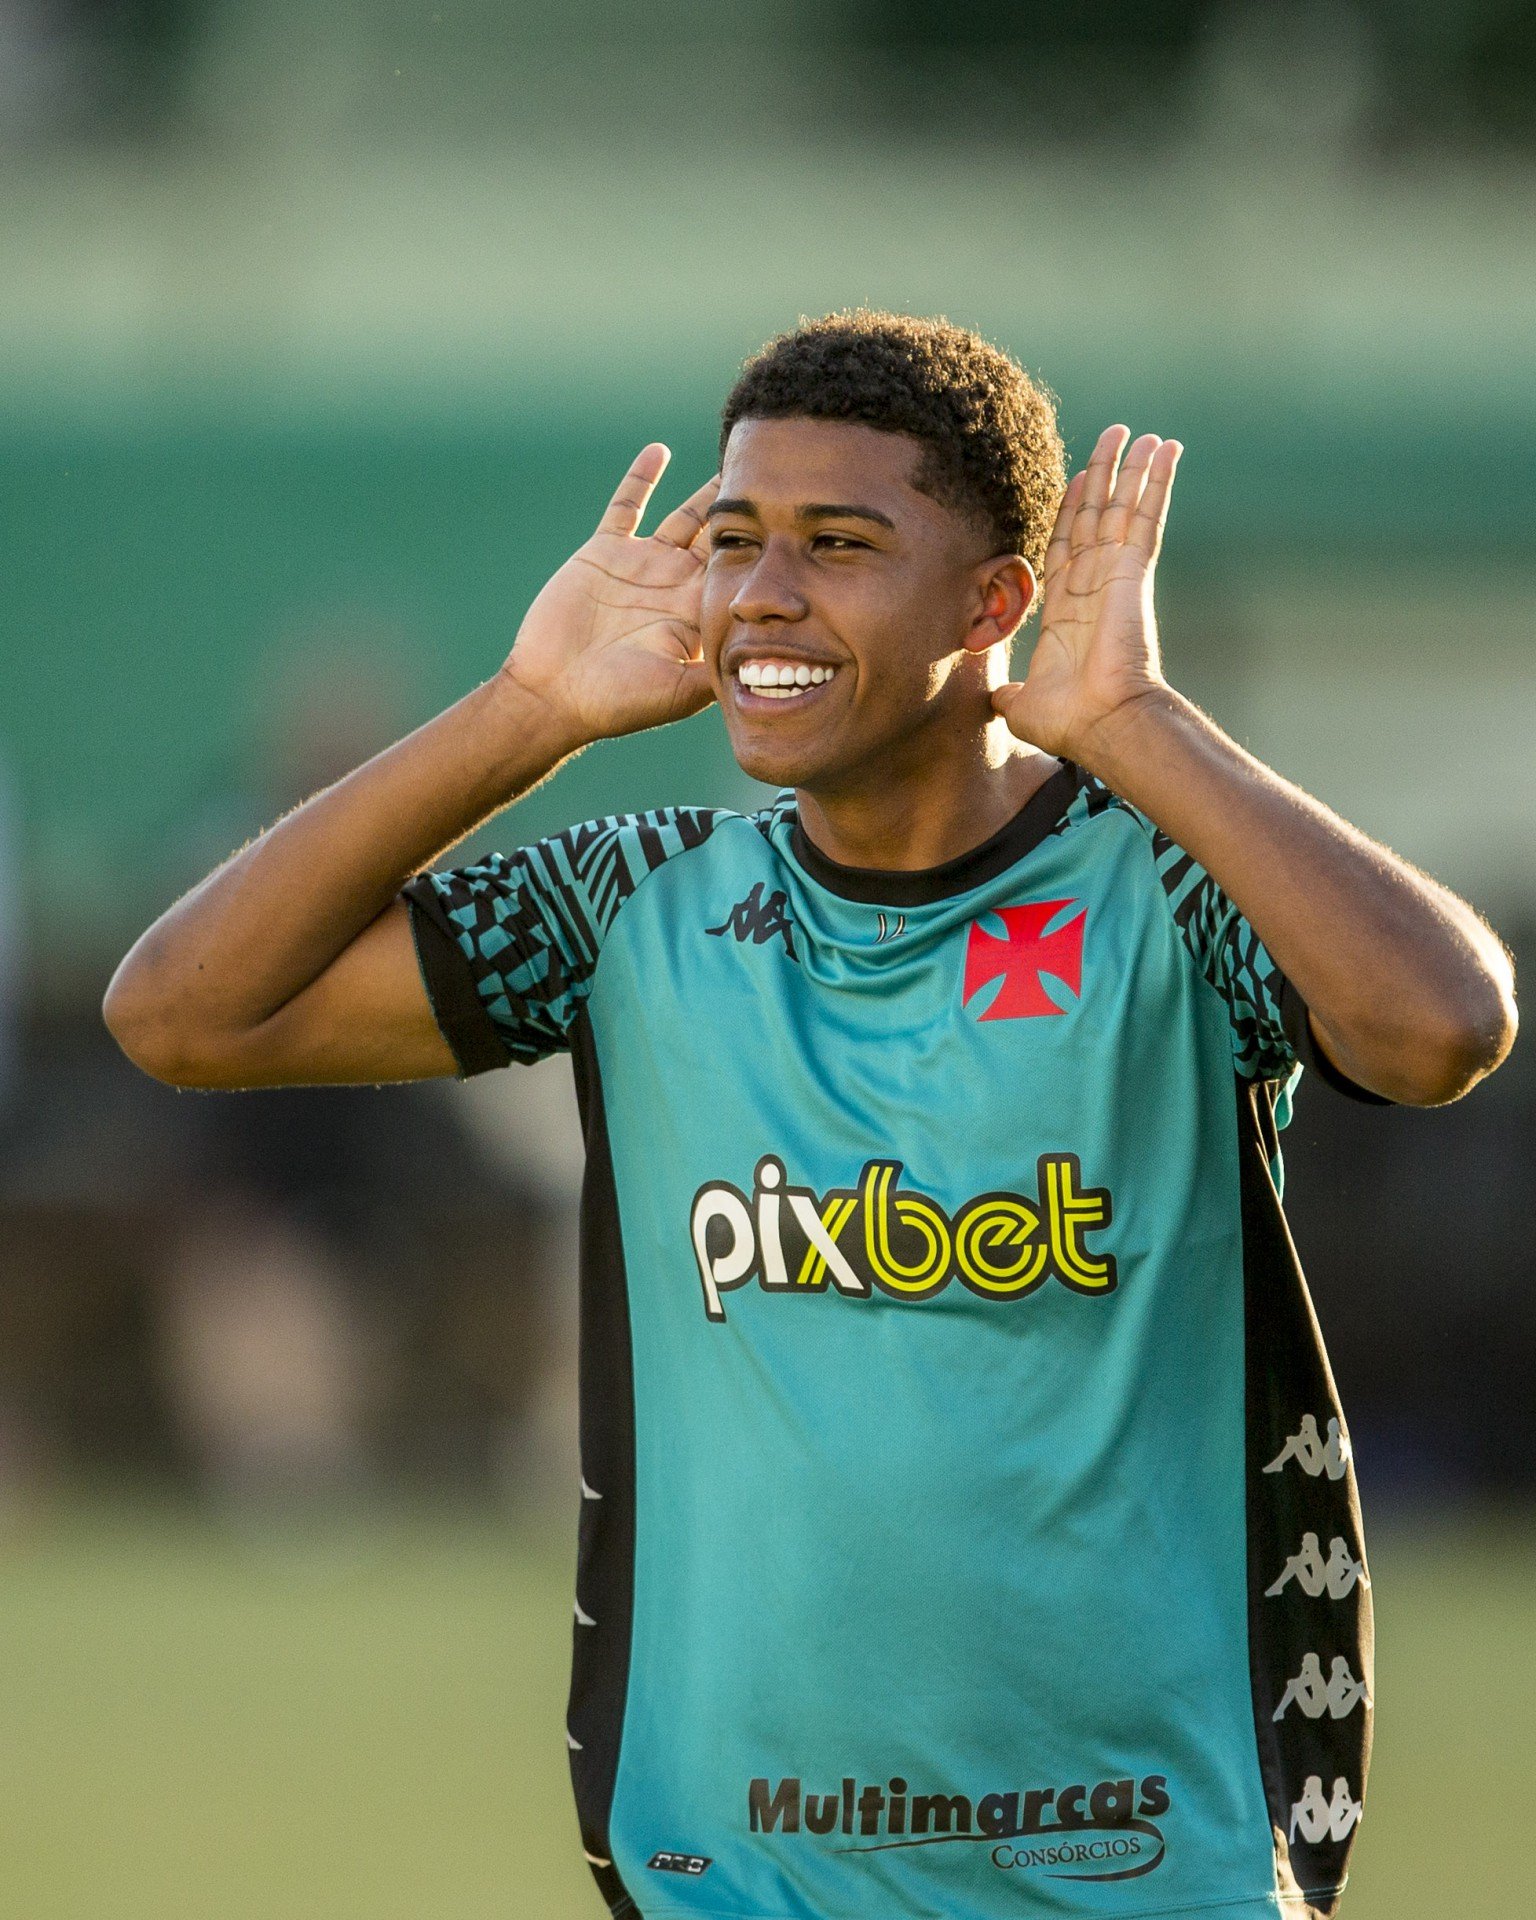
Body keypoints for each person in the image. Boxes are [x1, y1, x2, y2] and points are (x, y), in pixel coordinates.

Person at [104, 312, 1516, 1920]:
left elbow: (1439, 1029)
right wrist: (527, 708)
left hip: (1142, 1866)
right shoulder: (632, 900)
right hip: (736, 1874)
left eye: (839, 544)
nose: (763, 594)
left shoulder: (1171, 897)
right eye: (735, 541)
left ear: (995, 604)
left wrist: (1134, 724)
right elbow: (186, 1014)